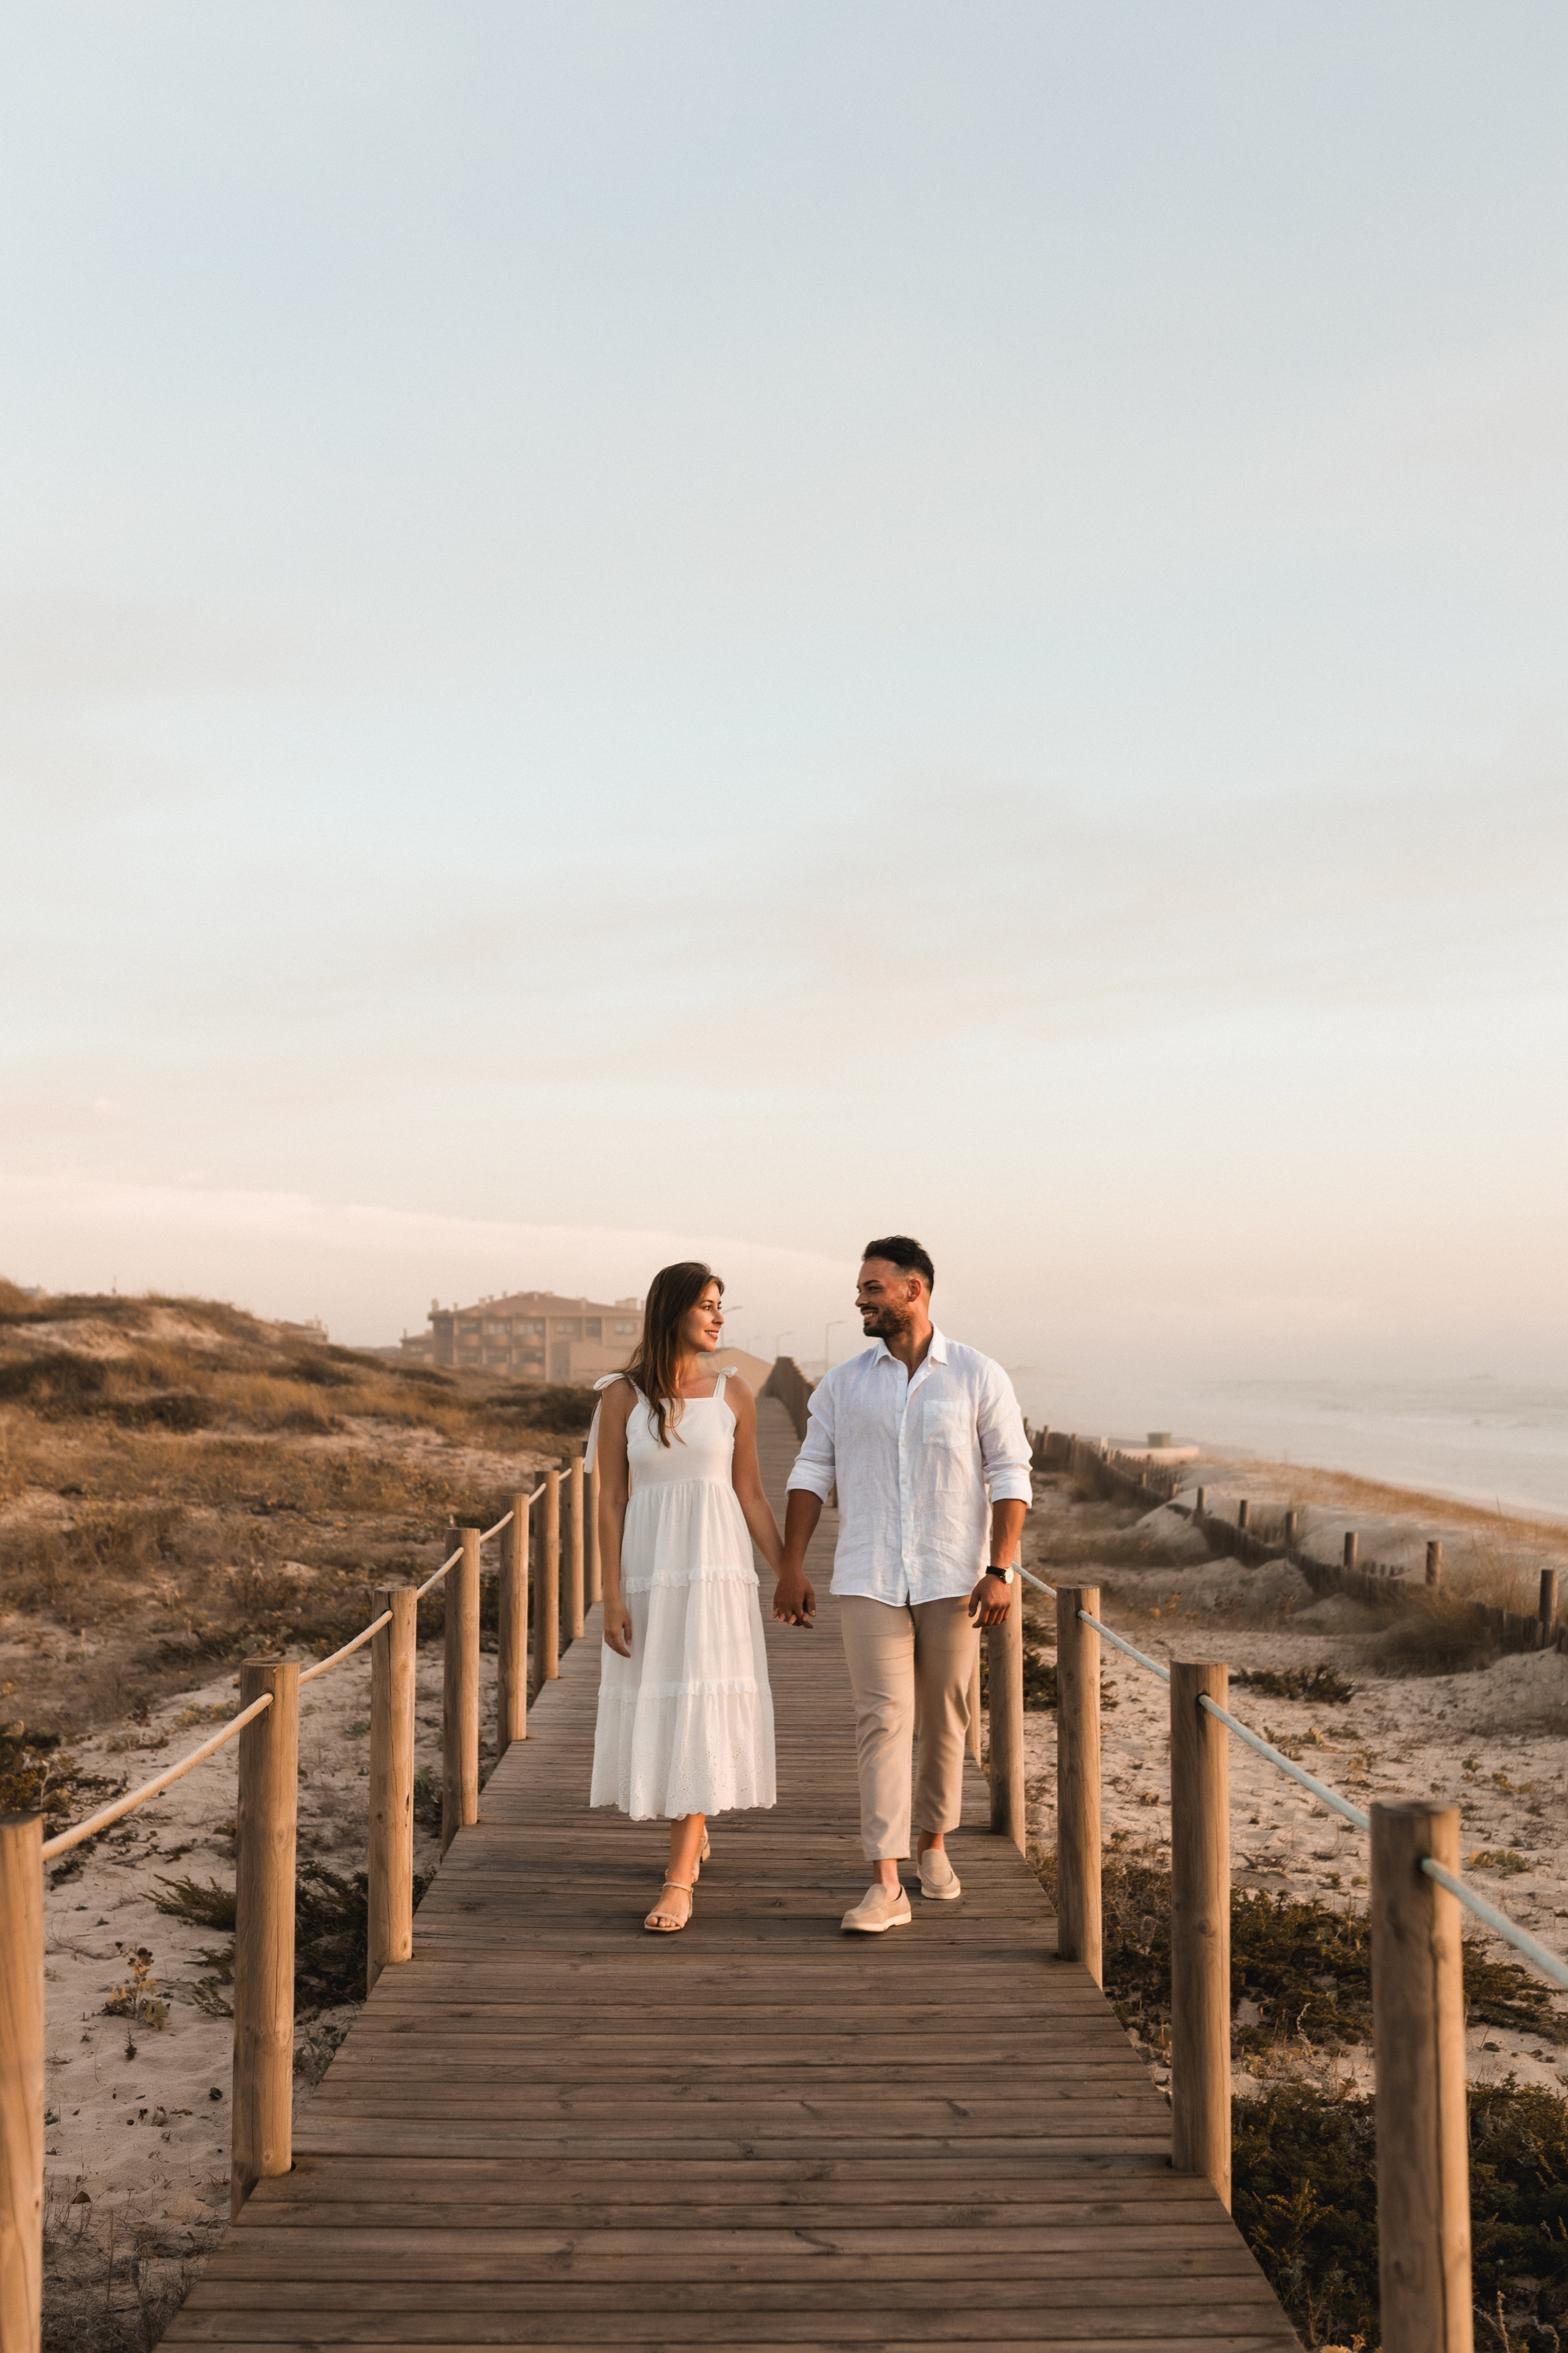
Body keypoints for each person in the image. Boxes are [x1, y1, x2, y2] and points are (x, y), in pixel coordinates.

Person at [774, 1236, 1032, 1933]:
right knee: (882, 1719)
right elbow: (809, 1473)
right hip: (867, 1573)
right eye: (860, 1290)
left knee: (948, 1714)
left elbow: (1010, 1473)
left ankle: (933, 1842)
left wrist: (1000, 1568)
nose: (860, 1299)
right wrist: (791, 1566)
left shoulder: (979, 1375)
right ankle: (886, 1881)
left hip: (955, 1577)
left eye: (872, 1288)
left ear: (914, 1289)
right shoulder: (841, 1385)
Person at [589, 1260, 786, 1933]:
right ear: (672, 1310)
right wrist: (609, 1593)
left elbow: (751, 1494)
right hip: (649, 1574)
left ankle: (679, 1875)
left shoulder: (733, 1395)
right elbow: (611, 1499)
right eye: (706, 1304)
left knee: (698, 1698)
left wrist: (789, 1568)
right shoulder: (620, 1396)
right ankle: (690, 1831)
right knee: (665, 1696)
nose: (718, 1316)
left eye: (720, 1304)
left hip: (714, 1572)